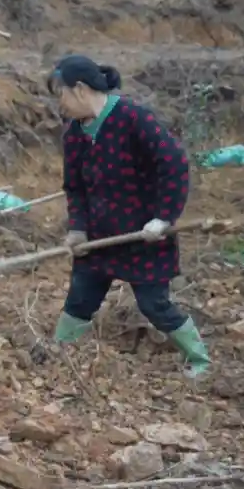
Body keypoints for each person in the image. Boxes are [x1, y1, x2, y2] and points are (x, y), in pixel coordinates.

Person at [50, 54, 210, 379]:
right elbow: (75, 188)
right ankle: (59, 354)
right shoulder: (74, 136)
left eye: (61, 95)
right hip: (99, 237)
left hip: (144, 236)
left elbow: (174, 163)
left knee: (154, 305)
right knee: (81, 297)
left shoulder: (133, 119)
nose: (60, 105)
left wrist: (164, 218)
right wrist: (78, 229)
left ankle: (200, 360)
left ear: (80, 89)